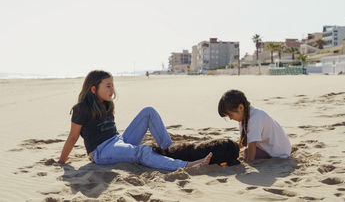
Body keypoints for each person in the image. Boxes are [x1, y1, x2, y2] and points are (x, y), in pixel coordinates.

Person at [58, 70, 212, 171]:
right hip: (101, 151)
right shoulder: (81, 108)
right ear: (93, 89)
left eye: (113, 86)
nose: (112, 90)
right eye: (108, 86)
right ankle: (186, 165)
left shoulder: (107, 104)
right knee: (143, 151)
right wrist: (61, 161)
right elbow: (73, 137)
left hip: (118, 140)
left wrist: (122, 142)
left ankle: (172, 152)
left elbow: (112, 134)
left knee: (148, 112)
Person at [218, 89, 291, 161]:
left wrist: (249, 162)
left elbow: (252, 144)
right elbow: (244, 141)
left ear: (241, 107)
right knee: (244, 151)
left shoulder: (255, 118)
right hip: (269, 146)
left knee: (247, 153)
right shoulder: (244, 117)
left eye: (230, 115)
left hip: (279, 152)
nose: (230, 118)